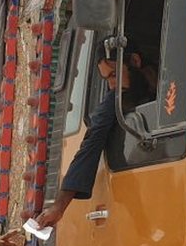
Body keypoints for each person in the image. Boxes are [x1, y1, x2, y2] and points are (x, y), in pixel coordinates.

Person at [34, 46, 156, 229]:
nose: (112, 86)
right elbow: (92, 141)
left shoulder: (176, 79)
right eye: (107, 79)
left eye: (114, 75)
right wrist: (59, 206)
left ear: (135, 62)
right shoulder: (116, 98)